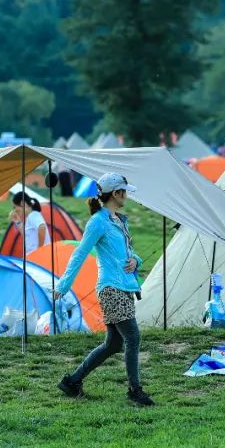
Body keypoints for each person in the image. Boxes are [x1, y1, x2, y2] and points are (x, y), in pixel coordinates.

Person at [54, 173, 152, 406]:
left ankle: (72, 381)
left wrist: (136, 260)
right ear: (116, 194)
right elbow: (80, 253)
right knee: (133, 337)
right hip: (111, 288)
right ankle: (134, 390)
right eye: (124, 192)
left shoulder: (118, 219)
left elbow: (126, 253)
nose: (127, 195)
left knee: (114, 344)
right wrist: (63, 284)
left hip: (123, 286)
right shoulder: (98, 222)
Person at [10, 191, 47, 256]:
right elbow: (27, 235)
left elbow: (42, 227)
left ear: (22, 203)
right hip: (31, 258)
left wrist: (39, 249)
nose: (14, 210)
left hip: (37, 258)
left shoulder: (33, 215)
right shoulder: (30, 217)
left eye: (14, 207)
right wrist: (17, 222)